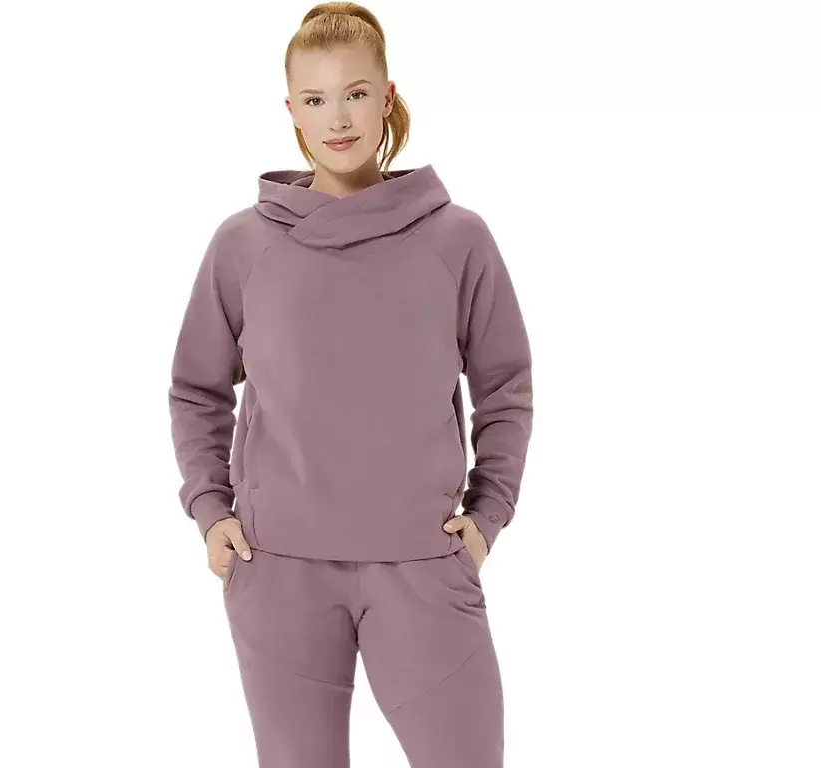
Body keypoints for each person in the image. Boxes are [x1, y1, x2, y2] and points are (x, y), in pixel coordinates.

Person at [167, 3, 534, 766]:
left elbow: (505, 386)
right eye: (316, 98)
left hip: (422, 562)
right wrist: (211, 510)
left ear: (388, 97)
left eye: (356, 93)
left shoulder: (456, 238)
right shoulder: (244, 245)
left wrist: (487, 515)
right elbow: (197, 388)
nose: (337, 118)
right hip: (278, 567)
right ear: (291, 110)